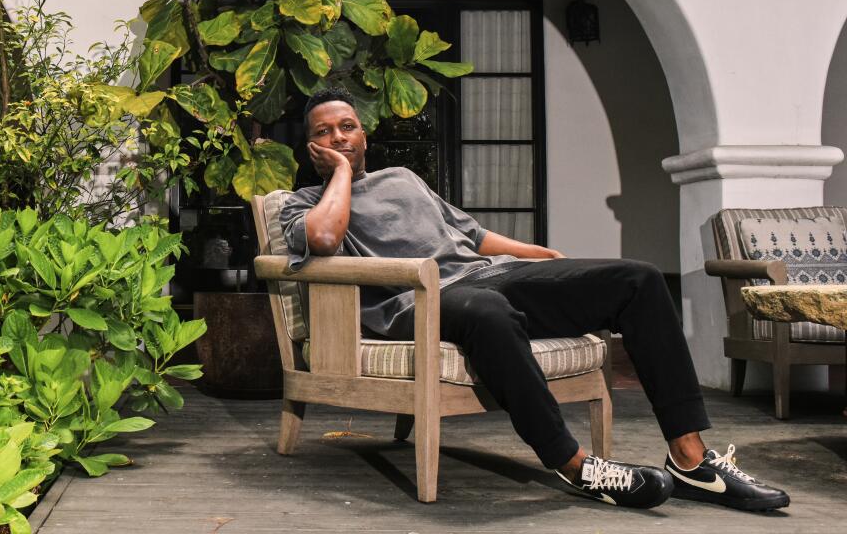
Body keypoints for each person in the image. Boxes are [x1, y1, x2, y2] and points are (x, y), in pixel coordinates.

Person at [278, 87, 790, 511]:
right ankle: (576, 465)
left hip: (490, 275)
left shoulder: (404, 180)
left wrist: (536, 255)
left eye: (346, 126)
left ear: (363, 134)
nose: (338, 137)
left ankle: (692, 459)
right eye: (323, 132)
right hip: (420, 300)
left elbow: (471, 236)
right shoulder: (302, 204)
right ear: (311, 148)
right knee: (489, 311)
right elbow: (324, 239)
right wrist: (342, 174)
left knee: (639, 279)